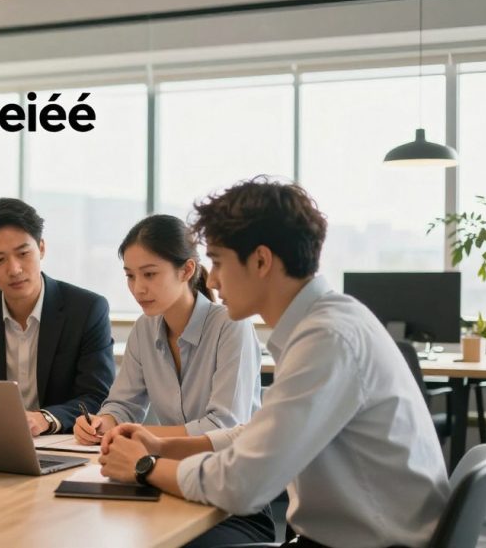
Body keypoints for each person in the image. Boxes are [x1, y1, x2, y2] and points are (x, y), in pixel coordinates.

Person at [99, 178, 450, 548]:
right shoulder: (321, 324)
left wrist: (145, 467)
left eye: (218, 262)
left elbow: (242, 485)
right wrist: (161, 446)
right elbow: (257, 434)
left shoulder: (327, 338)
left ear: (262, 261)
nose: (213, 280)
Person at [75, 214, 272, 547]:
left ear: (187, 270)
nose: (138, 288)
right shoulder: (144, 328)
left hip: (231, 502)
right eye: (130, 276)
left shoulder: (231, 326)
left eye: (150, 274)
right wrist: (103, 423)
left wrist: (137, 437)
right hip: (163, 484)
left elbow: (223, 424)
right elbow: (123, 404)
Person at [0, 198, 115, 436]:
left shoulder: (87, 309)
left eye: (23, 253)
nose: (14, 269)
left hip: (62, 443)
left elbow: (96, 395)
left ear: (42, 248)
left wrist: (46, 419)